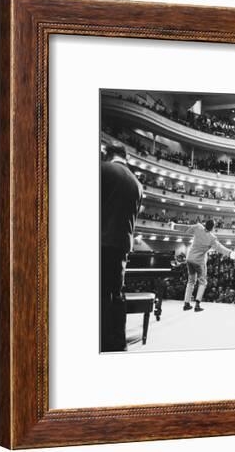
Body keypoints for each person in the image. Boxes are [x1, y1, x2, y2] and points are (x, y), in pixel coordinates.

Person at [100, 144, 142, 351]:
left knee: (99, 295)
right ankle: (116, 343)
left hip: (101, 241)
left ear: (107, 155)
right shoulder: (137, 183)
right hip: (122, 245)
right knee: (114, 295)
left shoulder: (103, 169)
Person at [171, 219, 235, 312]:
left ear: (205, 224)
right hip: (199, 262)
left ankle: (186, 304)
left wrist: (173, 225)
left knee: (191, 281)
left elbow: (186, 228)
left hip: (189, 258)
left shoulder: (198, 227)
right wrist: (233, 254)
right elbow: (221, 249)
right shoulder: (212, 238)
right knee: (202, 282)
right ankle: (197, 305)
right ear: (212, 228)